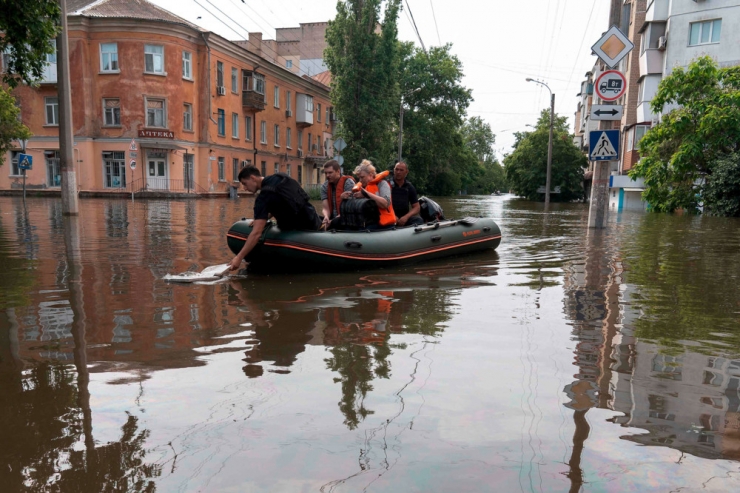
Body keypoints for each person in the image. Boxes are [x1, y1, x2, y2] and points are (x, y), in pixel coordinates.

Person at [229, 166, 321, 270]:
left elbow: (256, 233)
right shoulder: (281, 177)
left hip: (298, 230)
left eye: (244, 183)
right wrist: (263, 217)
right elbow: (283, 201)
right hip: (313, 220)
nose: (245, 188)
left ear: (253, 178)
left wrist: (239, 257)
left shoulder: (263, 198)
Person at [351, 160, 396, 229]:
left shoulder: (382, 184)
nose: (360, 180)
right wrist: (346, 197)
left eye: (362, 177)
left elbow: (385, 204)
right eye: (359, 178)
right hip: (366, 223)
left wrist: (366, 194)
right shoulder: (360, 188)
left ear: (370, 175)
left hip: (384, 225)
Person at [320, 159, 355, 229]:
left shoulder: (348, 183)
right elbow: (325, 208)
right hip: (332, 218)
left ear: (338, 171)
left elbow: (349, 208)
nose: (327, 175)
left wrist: (332, 221)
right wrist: (326, 216)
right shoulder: (324, 186)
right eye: (326, 173)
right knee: (316, 218)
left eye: (330, 173)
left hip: (345, 219)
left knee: (336, 222)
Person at [390, 160, 423, 227]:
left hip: (404, 218)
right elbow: (381, 205)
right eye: (396, 169)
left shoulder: (410, 187)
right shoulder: (386, 185)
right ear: (394, 170)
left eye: (401, 170)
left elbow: (416, 207)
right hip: (390, 217)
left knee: (419, 220)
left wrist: (406, 217)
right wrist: (393, 216)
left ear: (406, 172)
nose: (398, 172)